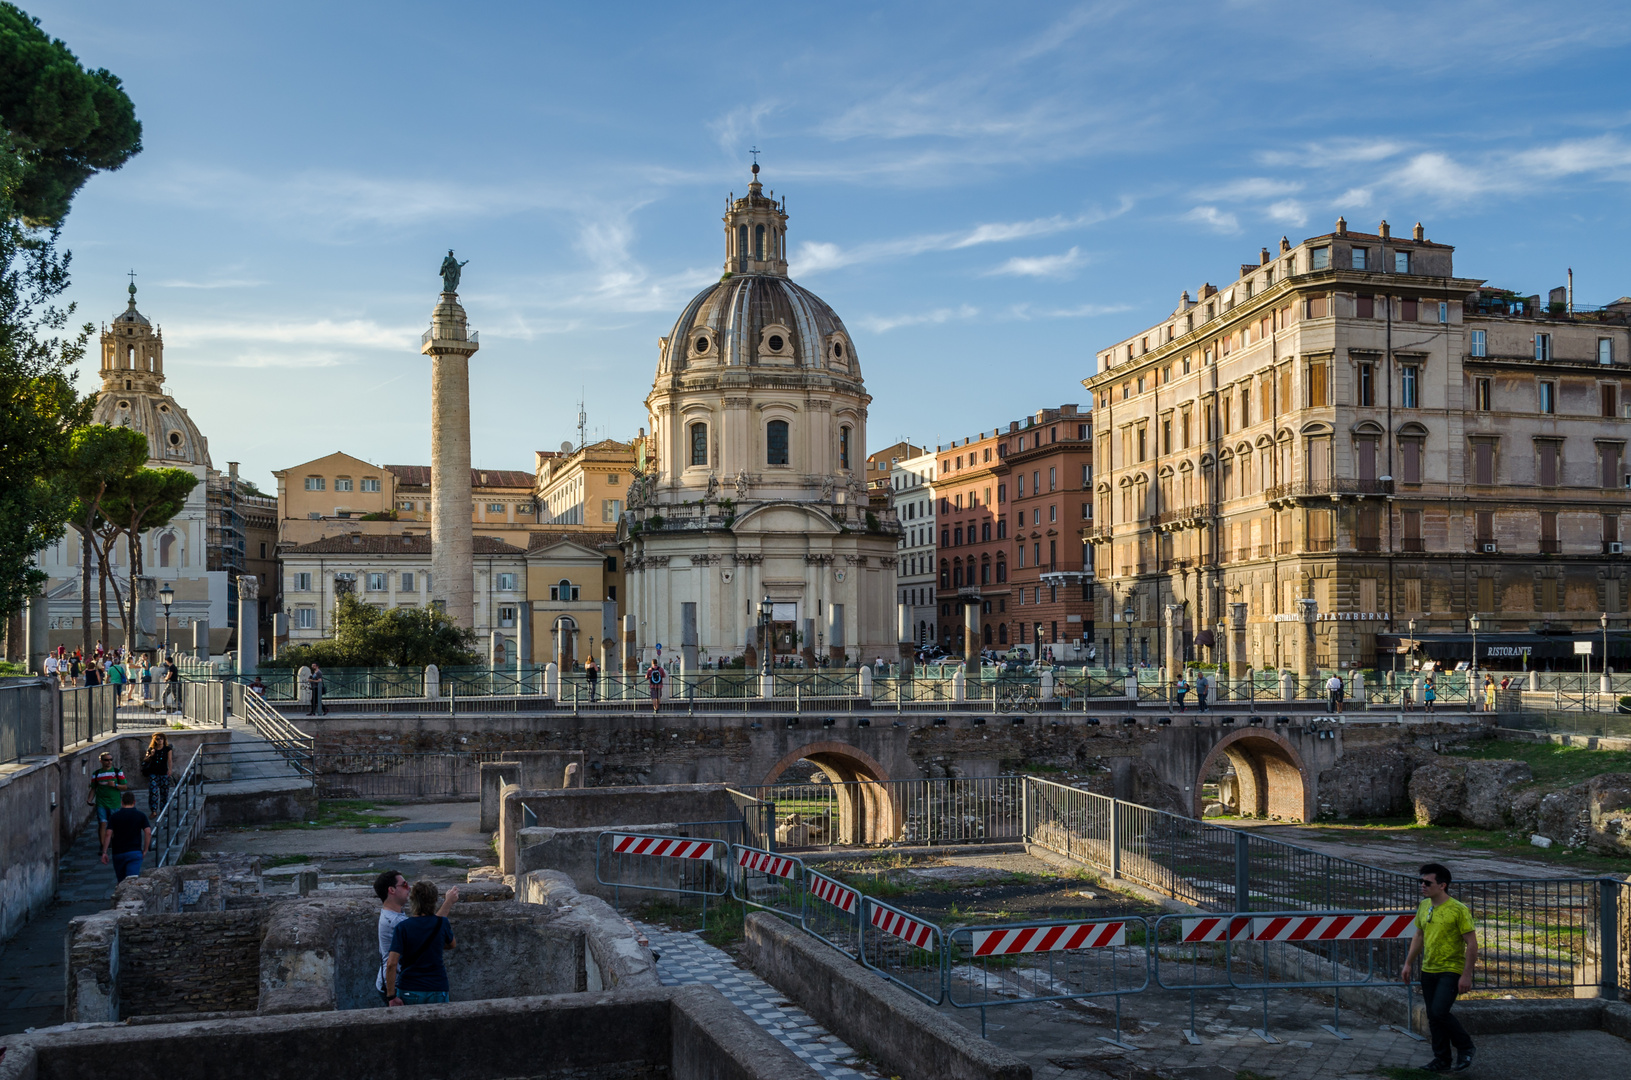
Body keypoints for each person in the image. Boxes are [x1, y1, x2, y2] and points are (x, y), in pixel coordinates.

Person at [1401, 862, 1477, 1072]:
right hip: (1429, 969)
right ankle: (1442, 1059)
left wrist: (1466, 975)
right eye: (1421, 881)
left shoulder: (1458, 910)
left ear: (1442, 885)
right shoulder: (1424, 906)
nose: (1422, 886)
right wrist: (1408, 963)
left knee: (1439, 1012)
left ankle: (1466, 1047)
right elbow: (1419, 935)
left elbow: (1472, 943)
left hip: (1451, 969)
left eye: (1427, 882)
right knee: (1433, 1017)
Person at [373, 870, 457, 1006]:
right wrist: (448, 902)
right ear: (391, 890)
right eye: (404, 884)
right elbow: (431, 926)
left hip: (405, 984)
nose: (409, 888)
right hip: (394, 984)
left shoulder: (396, 916)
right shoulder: (396, 923)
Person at [101, 791, 151, 883]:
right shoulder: (141, 815)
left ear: (122, 802)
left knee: (121, 882)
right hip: (134, 852)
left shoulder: (114, 817)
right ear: (134, 802)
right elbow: (148, 832)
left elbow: (108, 833)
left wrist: (104, 852)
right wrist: (145, 849)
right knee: (132, 881)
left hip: (118, 853)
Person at [89, 751, 128, 849]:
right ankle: (103, 845)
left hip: (114, 802)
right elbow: (93, 788)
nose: (109, 762)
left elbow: (125, 787)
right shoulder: (96, 774)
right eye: (106, 760)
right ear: (101, 761)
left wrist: (115, 785)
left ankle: (114, 842)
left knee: (114, 824)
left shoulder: (117, 772)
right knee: (102, 823)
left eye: (111, 760)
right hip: (101, 802)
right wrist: (89, 799)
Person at [142, 732, 174, 818]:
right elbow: (145, 759)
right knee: (153, 792)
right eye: (157, 739)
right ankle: (154, 811)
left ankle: (163, 810)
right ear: (154, 740)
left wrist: (170, 770)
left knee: (164, 792)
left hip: (163, 773)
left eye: (161, 739)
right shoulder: (151, 749)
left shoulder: (168, 749)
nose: (159, 740)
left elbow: (170, 760)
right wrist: (151, 755)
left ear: (164, 740)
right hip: (153, 773)